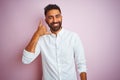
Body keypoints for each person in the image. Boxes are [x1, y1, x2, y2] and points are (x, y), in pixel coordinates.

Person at [22, 4, 87, 80]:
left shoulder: (73, 37)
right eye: (50, 17)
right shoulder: (41, 39)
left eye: (57, 16)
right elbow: (26, 60)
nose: (55, 20)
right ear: (46, 20)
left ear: (61, 17)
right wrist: (36, 34)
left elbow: (81, 65)